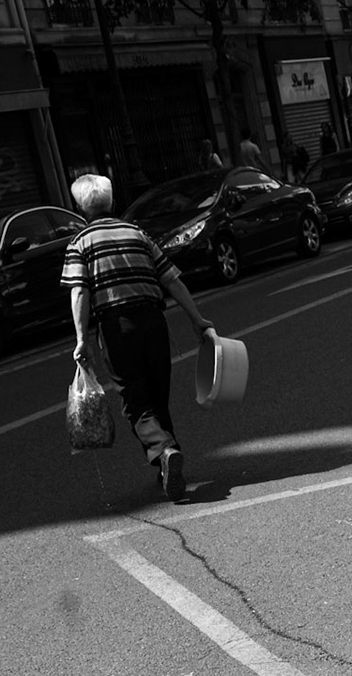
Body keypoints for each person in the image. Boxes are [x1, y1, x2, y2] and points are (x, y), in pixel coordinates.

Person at [61, 174, 216, 502]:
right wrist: (197, 319)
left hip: (118, 328)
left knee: (135, 400)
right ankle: (169, 463)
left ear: (80, 208)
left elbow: (79, 292)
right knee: (158, 395)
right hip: (154, 321)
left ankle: (165, 450)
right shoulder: (138, 234)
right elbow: (172, 280)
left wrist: (80, 339)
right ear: (112, 202)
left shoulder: (80, 243)